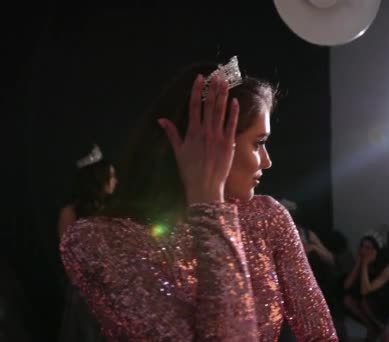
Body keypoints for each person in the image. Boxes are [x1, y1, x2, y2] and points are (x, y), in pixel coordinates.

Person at [60, 56, 337, 341]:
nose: (266, 162)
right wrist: (209, 206)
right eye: (258, 144)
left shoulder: (268, 218)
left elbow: (322, 336)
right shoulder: (100, 240)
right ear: (208, 139)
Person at [58, 144, 117, 342]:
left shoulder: (112, 210)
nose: (115, 181)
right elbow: (69, 255)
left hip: (115, 291)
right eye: (111, 176)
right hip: (88, 293)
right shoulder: (71, 212)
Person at [343, 231, 389, 342]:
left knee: (365, 301)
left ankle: (385, 330)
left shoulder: (388, 267)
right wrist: (359, 263)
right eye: (362, 246)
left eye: (368, 248)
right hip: (370, 296)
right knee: (348, 300)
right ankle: (371, 328)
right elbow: (347, 285)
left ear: (376, 250)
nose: (364, 250)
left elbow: (365, 290)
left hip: (387, 298)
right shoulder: (364, 261)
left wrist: (365, 265)